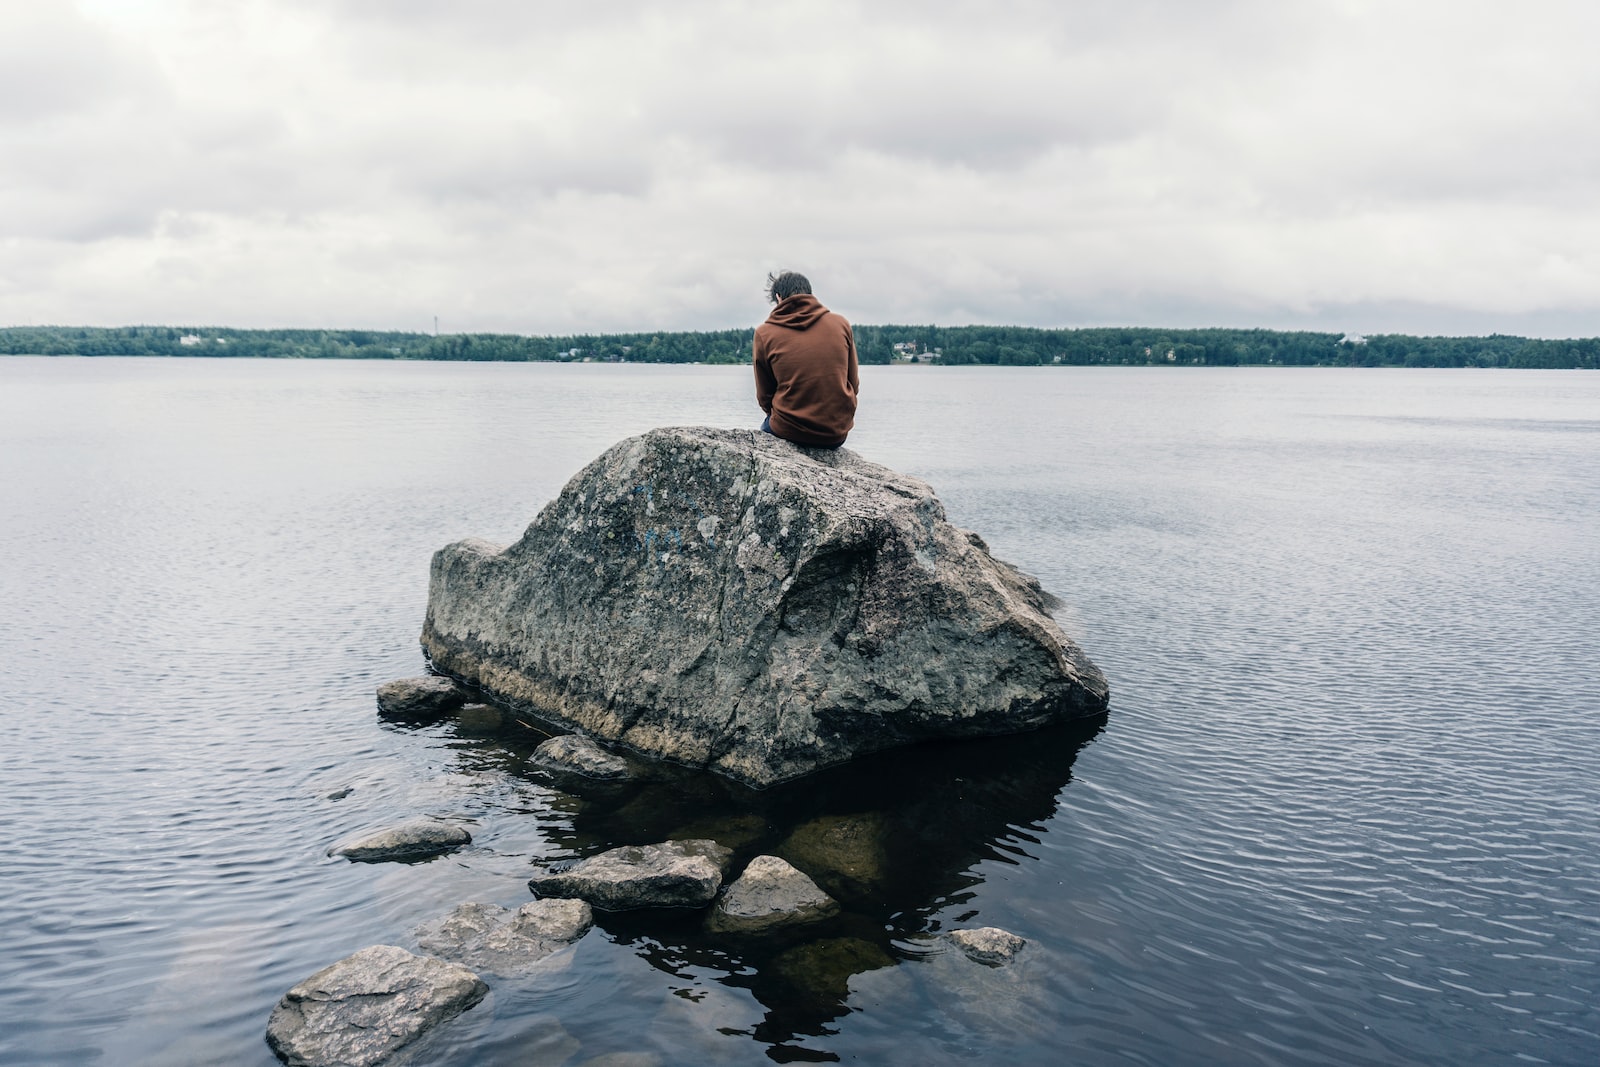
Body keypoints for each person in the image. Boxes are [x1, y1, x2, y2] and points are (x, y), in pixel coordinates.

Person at [753, 271, 859, 449]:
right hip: (836, 433)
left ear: (778, 298)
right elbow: (853, 383)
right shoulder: (841, 324)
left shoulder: (765, 333)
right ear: (810, 294)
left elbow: (764, 395)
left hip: (788, 430)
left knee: (765, 432)